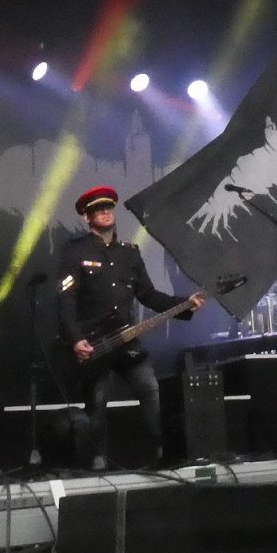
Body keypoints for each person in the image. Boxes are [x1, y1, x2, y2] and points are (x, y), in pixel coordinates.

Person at [56, 185, 204, 469]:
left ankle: (160, 454)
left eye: (108, 207)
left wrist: (185, 304)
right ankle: (98, 461)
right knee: (97, 402)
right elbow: (65, 300)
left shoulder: (130, 253)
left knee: (150, 389)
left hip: (126, 339)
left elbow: (149, 295)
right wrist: (75, 340)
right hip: (93, 342)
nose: (105, 212)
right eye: (98, 209)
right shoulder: (75, 251)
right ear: (87, 217)